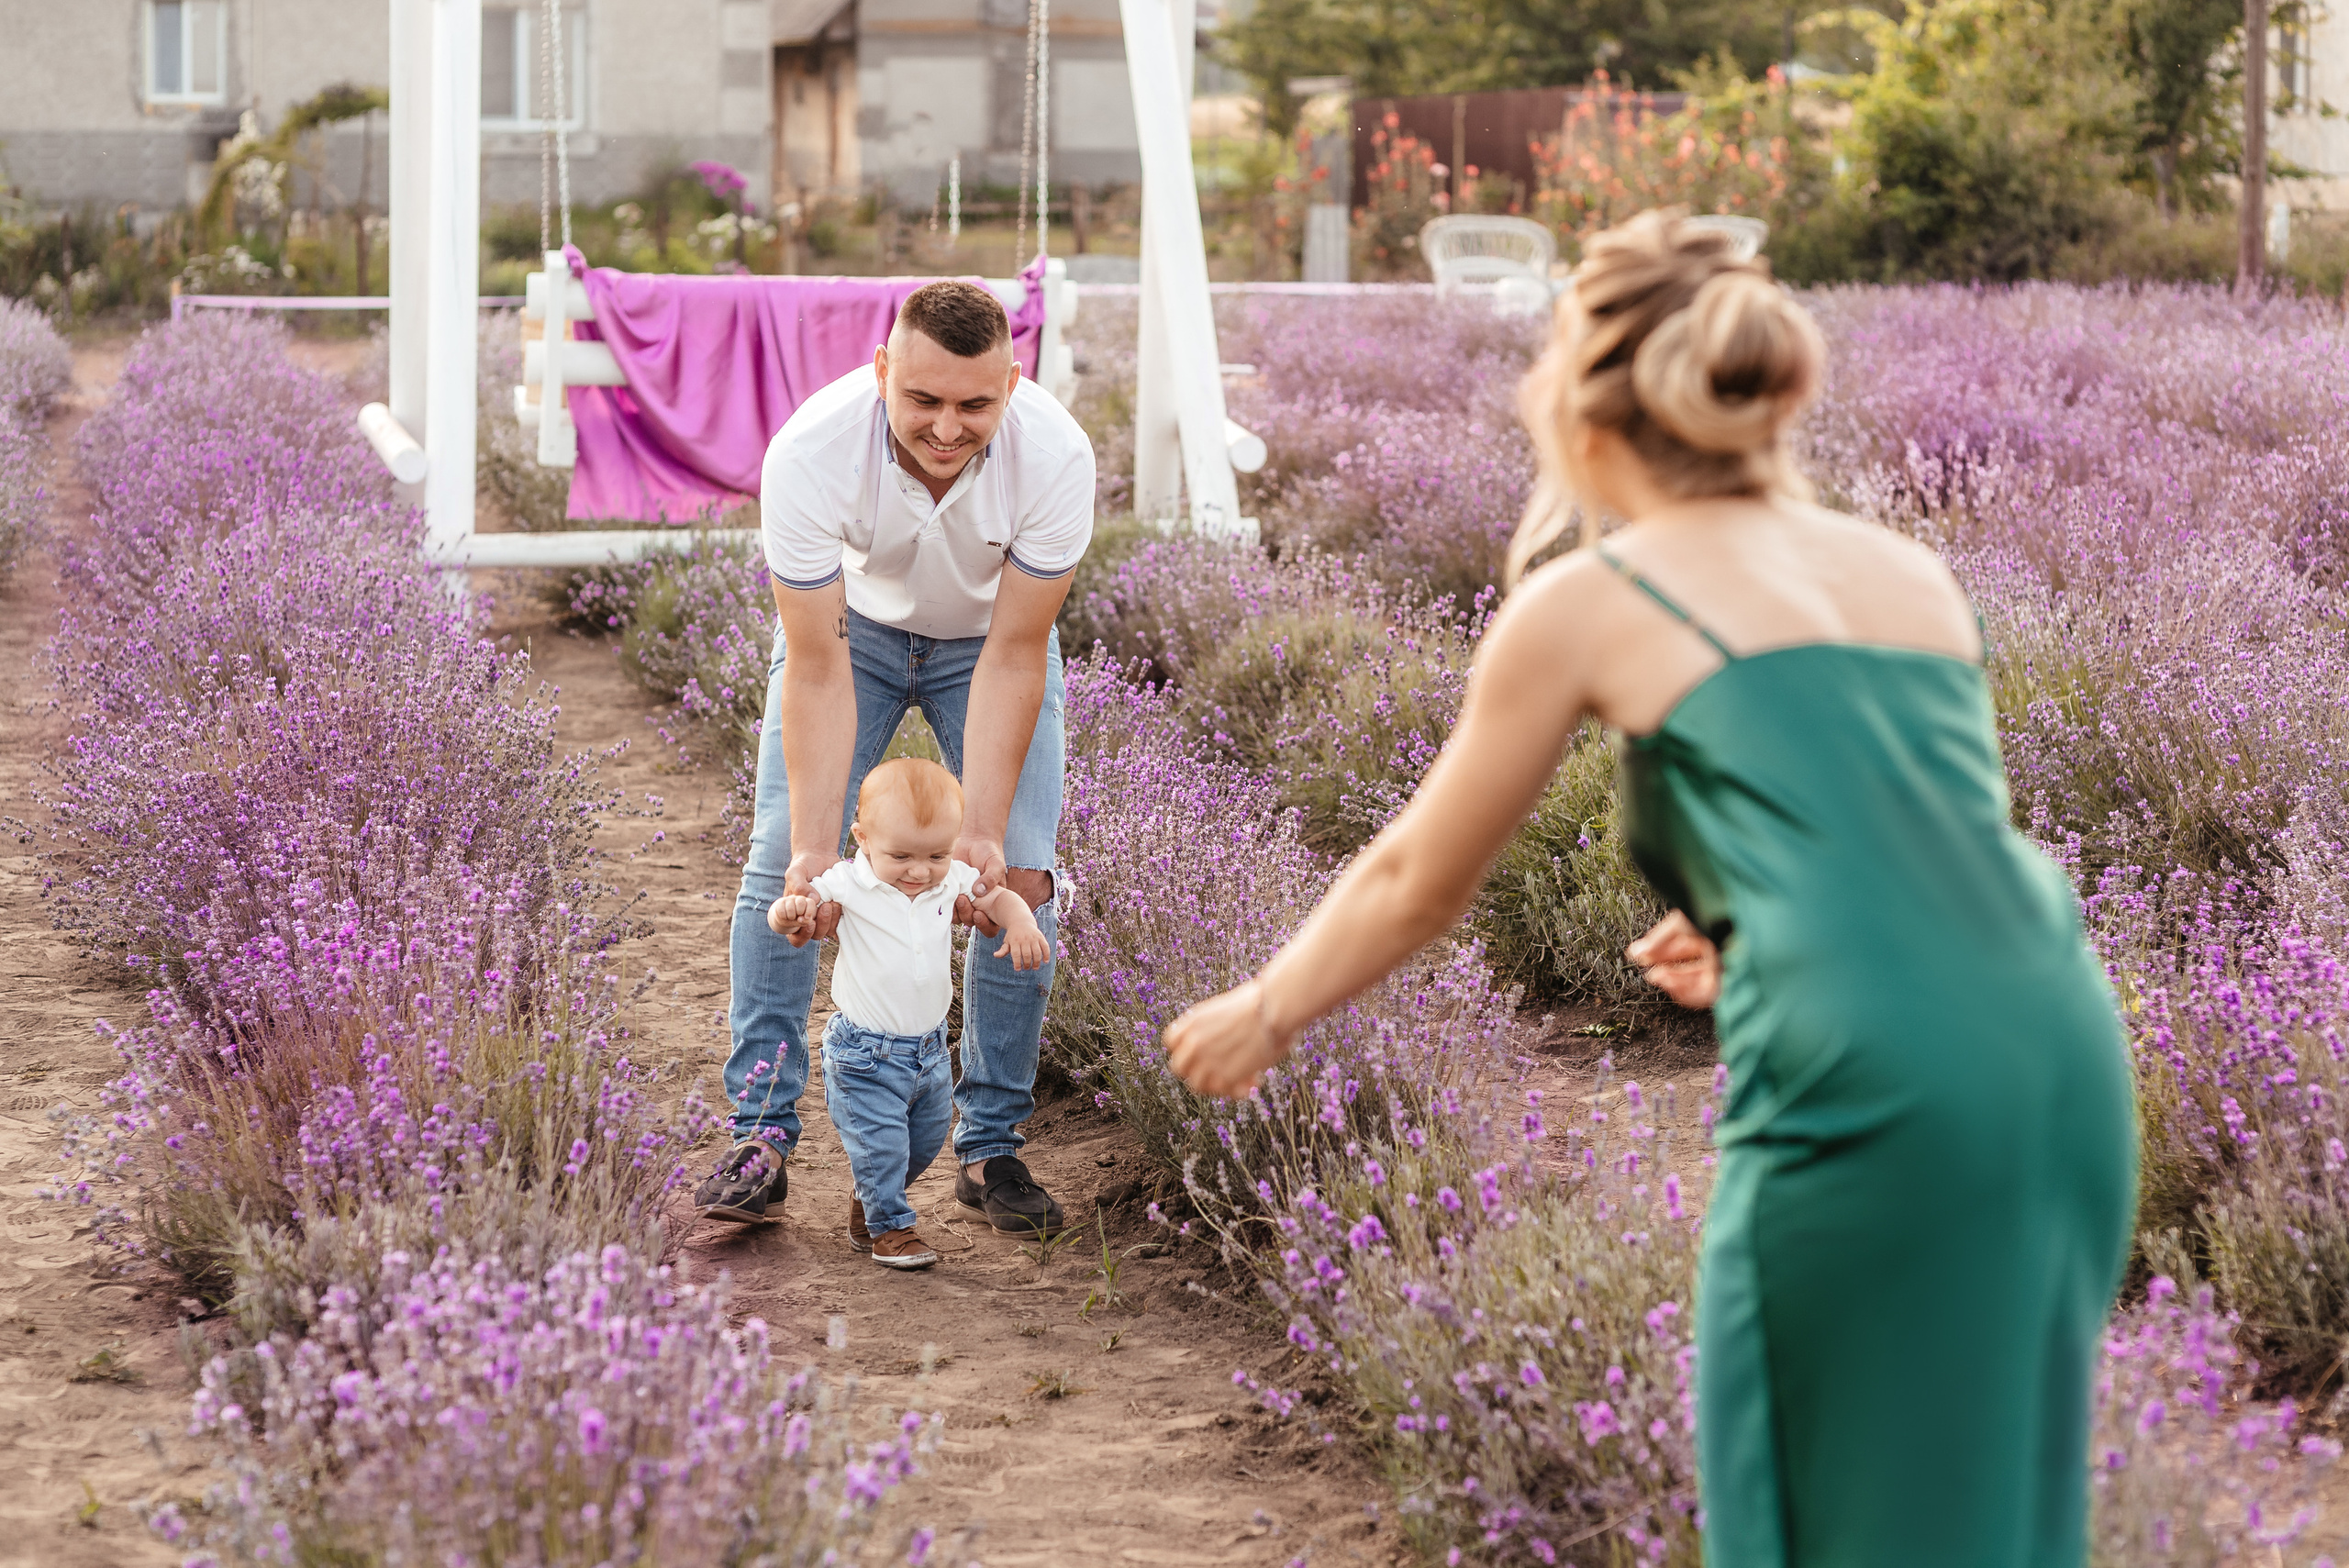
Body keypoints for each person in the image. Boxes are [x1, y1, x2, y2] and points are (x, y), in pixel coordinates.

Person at [1163, 212, 2136, 1566]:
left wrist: (1267, 1010)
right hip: (2059, 1049)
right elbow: (1927, 858)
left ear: (1586, 415)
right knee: (1988, 1494)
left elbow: (1414, 879)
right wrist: (1761, 932)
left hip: (1870, 1080)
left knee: (1800, 1487)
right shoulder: (1911, 575)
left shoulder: (1593, 598)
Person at [694, 278, 1093, 1238]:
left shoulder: (1057, 456)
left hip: (985, 644)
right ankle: (761, 1132)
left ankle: (989, 1143)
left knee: (1020, 876)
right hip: (854, 638)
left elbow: (1013, 650)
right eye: (923, 400)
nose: (947, 427)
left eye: (973, 403)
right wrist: (812, 846)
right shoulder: (810, 451)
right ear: (882, 372)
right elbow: (819, 665)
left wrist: (986, 829)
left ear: (1012, 380)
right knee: (779, 862)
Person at [757, 758, 1052, 1265]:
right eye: (902, 855)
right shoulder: (847, 880)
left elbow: (997, 899)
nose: (919, 871)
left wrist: (1021, 921)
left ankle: (871, 1199)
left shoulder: (949, 878)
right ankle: (891, 1227)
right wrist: (789, 911)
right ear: (862, 838)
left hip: (932, 1053)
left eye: (937, 853)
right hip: (863, 1056)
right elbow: (797, 902)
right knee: (885, 1147)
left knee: (925, 1140)